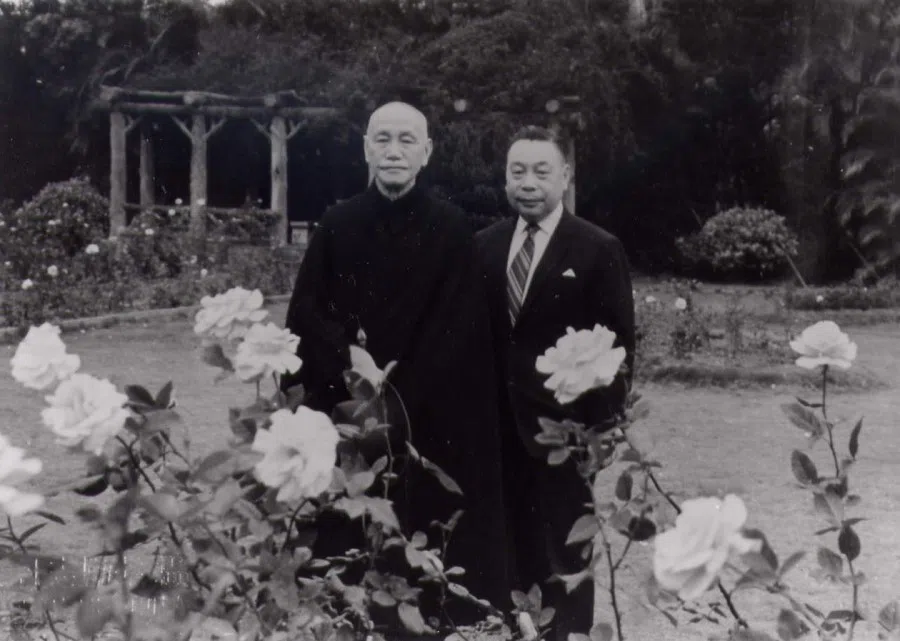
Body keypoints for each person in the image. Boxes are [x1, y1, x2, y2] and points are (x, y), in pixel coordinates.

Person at [281, 101, 511, 622]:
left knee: (423, 564)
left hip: (426, 419)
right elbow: (305, 316)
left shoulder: (453, 230)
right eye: (382, 139)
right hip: (349, 413)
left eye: (407, 140)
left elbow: (460, 329)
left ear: (426, 153)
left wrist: (399, 394)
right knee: (346, 559)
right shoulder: (337, 225)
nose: (393, 151)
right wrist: (349, 358)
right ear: (366, 148)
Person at [475, 125, 635, 641]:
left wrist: (601, 431)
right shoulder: (482, 247)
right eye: (517, 172)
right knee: (505, 550)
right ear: (504, 180)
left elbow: (619, 350)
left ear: (564, 177)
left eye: (541, 172)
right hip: (496, 432)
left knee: (566, 552)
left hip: (566, 436)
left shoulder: (597, 249)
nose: (528, 183)